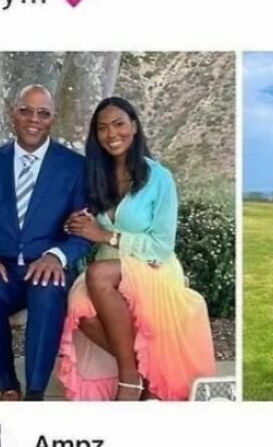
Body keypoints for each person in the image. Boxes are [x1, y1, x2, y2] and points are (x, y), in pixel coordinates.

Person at [57, 96, 216, 401]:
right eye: (102, 128)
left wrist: (107, 236)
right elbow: (88, 225)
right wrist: (75, 224)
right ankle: (142, 378)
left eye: (118, 124)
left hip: (151, 265)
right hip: (106, 266)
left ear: (135, 127)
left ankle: (129, 381)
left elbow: (162, 244)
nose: (111, 134)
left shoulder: (159, 178)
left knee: (98, 274)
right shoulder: (94, 175)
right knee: (81, 310)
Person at [0, 85, 90, 401]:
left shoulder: (74, 167)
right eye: (26, 110)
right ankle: (8, 386)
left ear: (52, 119)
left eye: (43, 113)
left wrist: (57, 256)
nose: (34, 119)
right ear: (12, 113)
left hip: (47, 267)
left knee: (47, 295)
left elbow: (83, 230)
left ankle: (36, 394)